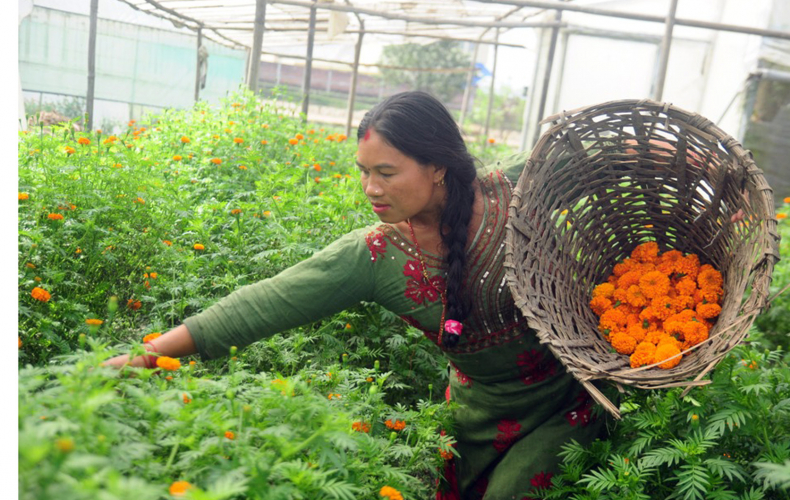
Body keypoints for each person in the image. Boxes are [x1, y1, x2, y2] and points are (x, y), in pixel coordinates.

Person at [105, 91, 607, 500]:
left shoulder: (514, 189)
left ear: (437, 166)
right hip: (475, 418)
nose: (370, 187)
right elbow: (262, 304)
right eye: (364, 171)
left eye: (385, 172)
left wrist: (675, 153)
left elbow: (596, 150)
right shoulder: (374, 255)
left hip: (572, 397)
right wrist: (146, 357)